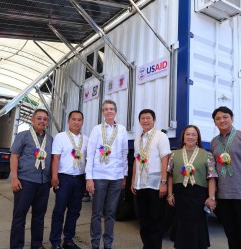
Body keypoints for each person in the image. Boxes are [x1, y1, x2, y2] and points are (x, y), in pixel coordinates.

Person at [210, 106, 241, 249]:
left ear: (232, 118)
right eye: (218, 118)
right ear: (215, 123)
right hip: (224, 195)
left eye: (225, 117)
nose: (222, 120)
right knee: (231, 233)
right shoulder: (214, 142)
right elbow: (213, 171)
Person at [85, 100, 128, 249]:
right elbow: (90, 154)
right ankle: (95, 244)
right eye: (106, 109)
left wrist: (124, 175)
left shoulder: (122, 130)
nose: (109, 111)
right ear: (103, 113)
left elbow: (124, 153)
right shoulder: (96, 129)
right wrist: (89, 178)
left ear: (115, 112)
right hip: (99, 176)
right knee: (97, 212)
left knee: (111, 213)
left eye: (111, 109)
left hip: (116, 177)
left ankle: (108, 244)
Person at [167, 125, 218, 249]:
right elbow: (170, 176)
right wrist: (170, 194)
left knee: (197, 224)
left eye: (193, 134)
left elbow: (211, 177)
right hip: (180, 194)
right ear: (183, 137)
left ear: (198, 138)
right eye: (187, 134)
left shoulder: (207, 155)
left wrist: (211, 197)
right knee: (182, 224)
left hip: (199, 195)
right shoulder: (174, 154)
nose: (190, 137)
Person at [10, 108, 53, 249]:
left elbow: (53, 159)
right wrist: (14, 178)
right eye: (39, 118)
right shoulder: (23, 135)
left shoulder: (50, 139)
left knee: (39, 216)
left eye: (45, 119)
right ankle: (16, 246)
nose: (42, 121)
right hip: (25, 181)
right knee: (19, 216)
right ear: (32, 120)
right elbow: (14, 156)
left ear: (47, 122)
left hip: (43, 183)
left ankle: (37, 244)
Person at [131, 109, 172, 249]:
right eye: (142, 118)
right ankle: (147, 246)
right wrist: (133, 181)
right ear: (139, 121)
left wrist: (163, 182)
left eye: (148, 118)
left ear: (154, 120)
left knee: (156, 219)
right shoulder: (138, 139)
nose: (145, 120)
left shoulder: (160, 136)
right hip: (140, 184)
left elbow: (165, 159)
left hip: (155, 184)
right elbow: (137, 160)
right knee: (143, 219)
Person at [49, 111, 88, 249]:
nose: (76, 122)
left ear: (82, 122)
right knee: (59, 210)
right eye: (73, 119)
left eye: (79, 120)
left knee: (74, 211)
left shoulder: (86, 139)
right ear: (68, 121)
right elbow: (56, 158)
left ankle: (69, 240)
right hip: (64, 178)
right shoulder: (61, 137)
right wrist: (54, 176)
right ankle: (55, 241)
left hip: (79, 179)